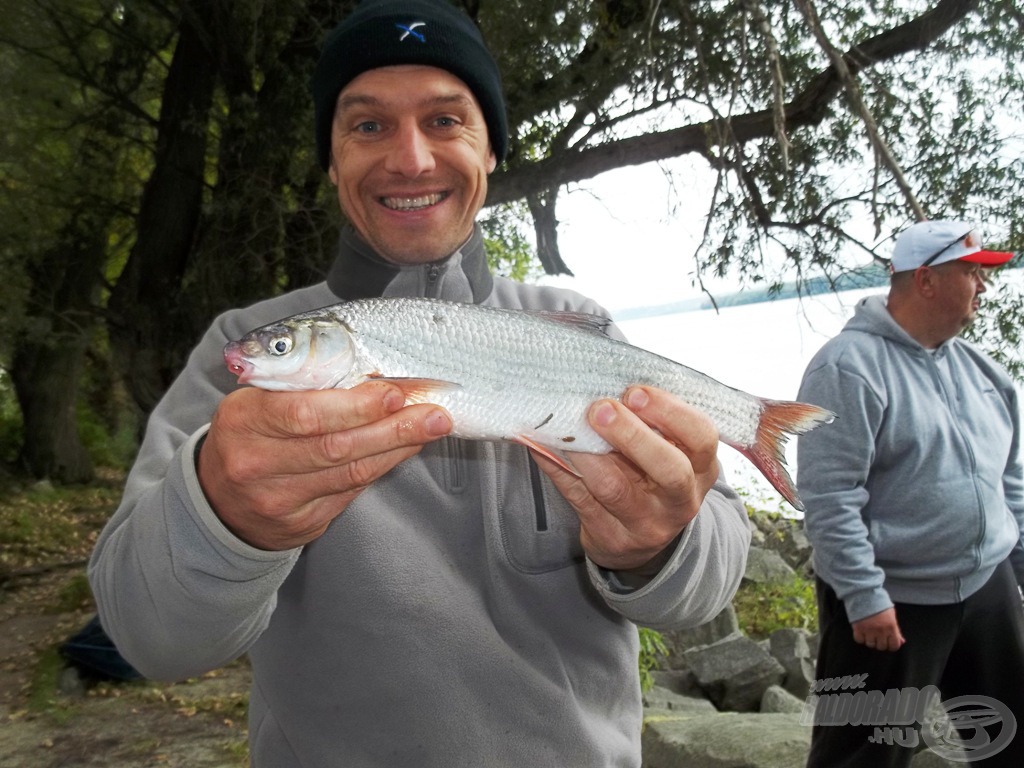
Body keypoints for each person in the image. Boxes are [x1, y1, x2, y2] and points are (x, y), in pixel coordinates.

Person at [88, 1, 751, 765]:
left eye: (445, 120)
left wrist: (656, 545)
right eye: (367, 125)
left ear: (491, 148)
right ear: (331, 160)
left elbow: (707, 589)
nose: (410, 159)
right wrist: (223, 515)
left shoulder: (577, 327)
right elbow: (147, 637)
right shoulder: (240, 353)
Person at [796, 219, 1024, 767]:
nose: (983, 286)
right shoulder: (845, 367)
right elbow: (829, 497)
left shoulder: (982, 371)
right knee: (862, 754)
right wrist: (864, 596)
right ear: (926, 280)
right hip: (890, 605)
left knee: (1009, 737)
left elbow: (1010, 478)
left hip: (986, 584)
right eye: (972, 272)